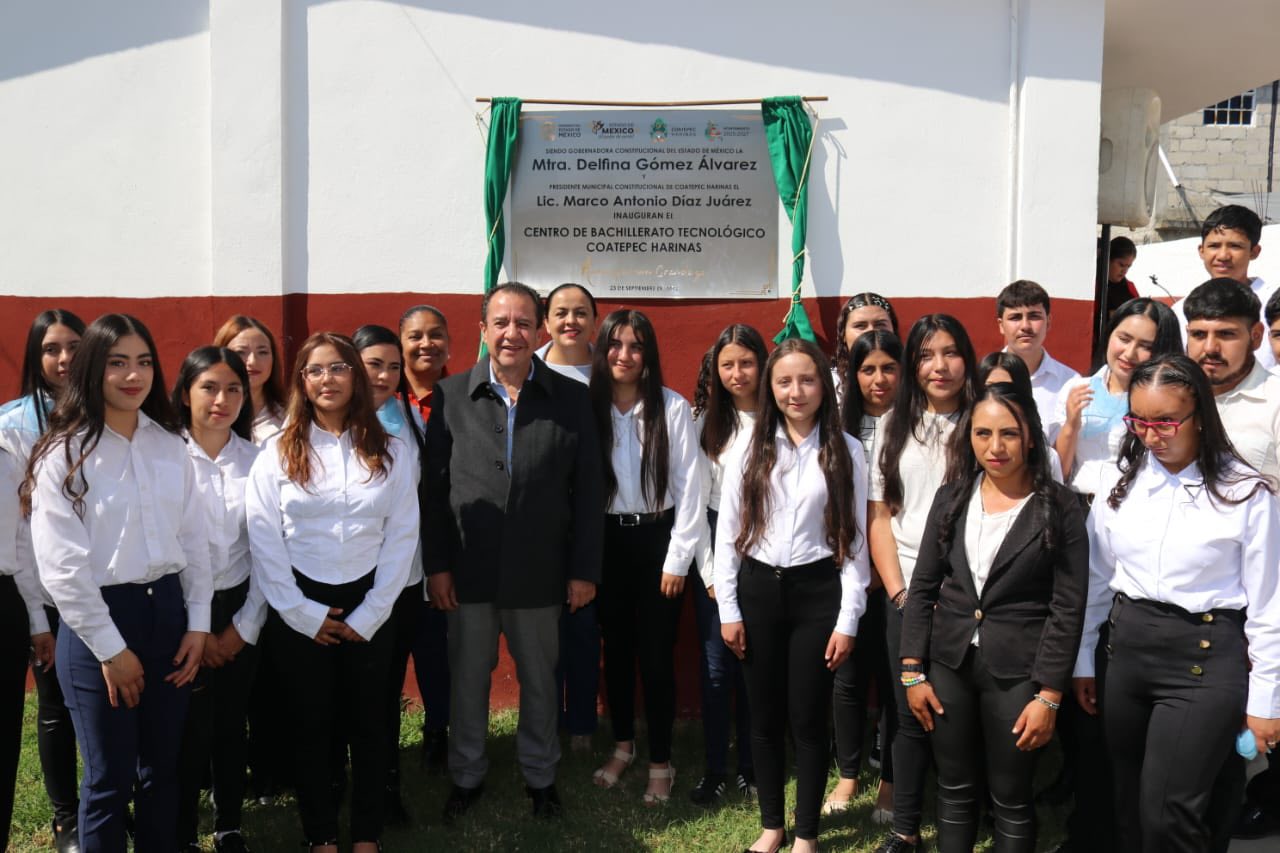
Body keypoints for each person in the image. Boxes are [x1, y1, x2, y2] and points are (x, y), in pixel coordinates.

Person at [1072, 354, 1280, 852]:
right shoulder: (1119, 484)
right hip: (1127, 652)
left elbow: (1269, 606)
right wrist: (1083, 659)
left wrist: (1266, 700)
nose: (1151, 434)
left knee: (1169, 811)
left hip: (1207, 659)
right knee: (1127, 802)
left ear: (1201, 417)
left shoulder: (1245, 493)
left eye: (1165, 421)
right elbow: (1098, 580)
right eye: (1139, 420)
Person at [26, 313, 213, 852]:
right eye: (118, 363)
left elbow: (195, 543)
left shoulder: (170, 445)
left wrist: (198, 625)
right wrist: (112, 651)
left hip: (169, 618)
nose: (134, 375)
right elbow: (62, 569)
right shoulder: (63, 453)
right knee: (107, 782)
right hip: (97, 628)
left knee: (162, 772)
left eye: (144, 362)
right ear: (92, 369)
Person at [423, 282, 604, 823]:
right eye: (501, 322)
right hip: (469, 571)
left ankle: (540, 775)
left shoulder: (571, 399)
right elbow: (433, 492)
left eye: (524, 322)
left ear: (540, 330)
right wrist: (437, 566)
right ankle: (467, 773)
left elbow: (590, 491)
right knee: (469, 678)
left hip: (540, 572)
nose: (512, 333)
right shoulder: (452, 395)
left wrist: (583, 571)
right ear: (483, 330)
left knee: (541, 681)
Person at [245, 331, 417, 853]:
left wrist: (373, 612)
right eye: (316, 370)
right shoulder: (275, 452)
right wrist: (300, 613)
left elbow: (402, 533)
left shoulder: (392, 450)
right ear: (302, 380)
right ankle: (320, 836)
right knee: (311, 725)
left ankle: (366, 835)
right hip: (300, 600)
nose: (328, 379)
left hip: (371, 600)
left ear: (355, 377)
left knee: (370, 725)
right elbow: (263, 536)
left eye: (339, 368)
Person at [901, 381, 1088, 852]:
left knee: (1010, 797)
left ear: (1030, 436)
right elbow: (923, 587)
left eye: (1008, 433)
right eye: (982, 434)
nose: (995, 447)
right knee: (954, 790)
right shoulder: (951, 498)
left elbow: (1068, 607)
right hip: (949, 663)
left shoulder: (1061, 509)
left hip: (1019, 672)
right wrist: (911, 672)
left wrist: (1048, 696)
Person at [716, 338, 870, 853]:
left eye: (806, 380)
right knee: (763, 717)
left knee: (807, 717)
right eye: (784, 381)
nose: (795, 391)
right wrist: (729, 610)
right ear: (771, 387)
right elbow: (728, 535)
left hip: (816, 593)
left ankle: (805, 833)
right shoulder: (749, 448)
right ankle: (771, 827)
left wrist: (849, 618)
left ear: (824, 387)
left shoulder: (848, 451)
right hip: (759, 591)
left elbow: (855, 541)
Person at [869, 314, 978, 853]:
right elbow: (881, 516)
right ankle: (905, 829)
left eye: (951, 352)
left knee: (965, 713)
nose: (940, 366)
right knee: (910, 712)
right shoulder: (893, 425)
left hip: (971, 601)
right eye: (927, 355)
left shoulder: (985, 423)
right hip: (906, 593)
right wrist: (898, 593)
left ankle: (967, 817)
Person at [589, 309, 705, 805]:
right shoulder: (587, 408)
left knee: (656, 658)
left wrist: (677, 560)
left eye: (636, 346)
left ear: (649, 355)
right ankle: (622, 746)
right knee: (614, 653)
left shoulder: (672, 409)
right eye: (615, 345)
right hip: (605, 545)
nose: (625, 355)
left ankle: (661, 761)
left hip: (658, 543)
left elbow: (691, 490)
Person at [171, 346, 263, 853]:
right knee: (183, 731)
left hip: (238, 608)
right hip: (175, 611)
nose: (221, 399)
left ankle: (228, 824)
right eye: (208, 387)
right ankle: (179, 830)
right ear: (185, 393)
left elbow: (270, 553)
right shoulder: (164, 455)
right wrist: (196, 628)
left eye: (233, 389)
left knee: (230, 725)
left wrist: (243, 627)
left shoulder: (258, 461)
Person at [0, 308, 85, 853]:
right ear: (35, 356)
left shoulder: (109, 412)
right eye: (52, 348)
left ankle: (104, 800)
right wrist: (37, 613)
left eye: (75, 347)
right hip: (42, 587)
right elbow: (16, 526)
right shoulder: (11, 424)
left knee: (104, 701)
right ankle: (65, 818)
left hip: (102, 581)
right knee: (54, 706)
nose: (64, 359)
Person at [352, 324, 429, 823]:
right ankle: (341, 783)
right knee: (349, 694)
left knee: (385, 692)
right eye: (372, 364)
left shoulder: (409, 419)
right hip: (350, 578)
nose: (383, 375)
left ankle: (386, 788)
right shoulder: (330, 422)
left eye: (392, 366)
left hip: (403, 579)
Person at [688, 323, 768, 807]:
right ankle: (715, 768)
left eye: (747, 362)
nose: (738, 373)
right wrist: (712, 576)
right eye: (727, 364)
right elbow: (694, 508)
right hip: (716, 552)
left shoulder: (782, 418)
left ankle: (753, 768)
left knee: (756, 667)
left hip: (766, 553)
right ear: (715, 371)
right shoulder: (705, 424)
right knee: (718, 669)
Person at [825, 329, 902, 820]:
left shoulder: (915, 426)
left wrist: (884, 568)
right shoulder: (837, 426)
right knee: (847, 680)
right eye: (867, 369)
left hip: (900, 575)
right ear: (852, 376)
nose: (878, 379)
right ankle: (849, 775)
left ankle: (892, 785)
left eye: (888, 368)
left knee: (896, 682)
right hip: (848, 572)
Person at [534, 283, 602, 753]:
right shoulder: (530, 371)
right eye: (561, 312)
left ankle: (580, 723)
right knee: (542, 634)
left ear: (595, 320)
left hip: (594, 515)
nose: (570, 321)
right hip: (542, 524)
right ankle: (544, 724)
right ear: (546, 321)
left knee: (583, 627)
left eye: (581, 312)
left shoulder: (609, 369)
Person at [1052, 298, 1181, 500]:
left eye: (1145, 346)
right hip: (1077, 509)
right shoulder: (1077, 388)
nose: (1129, 354)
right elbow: (1058, 472)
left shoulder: (1169, 404)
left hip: (1131, 507)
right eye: (1124, 339)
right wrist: (1071, 426)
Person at [396, 304, 452, 772]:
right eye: (415, 336)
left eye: (435, 335)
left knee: (436, 649)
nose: (425, 344)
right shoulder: (380, 401)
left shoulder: (463, 398)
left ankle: (438, 728)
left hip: (444, 549)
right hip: (389, 552)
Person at [1183, 278, 1280, 482]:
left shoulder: (1275, 401)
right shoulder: (1173, 396)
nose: (1210, 348)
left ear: (1256, 336)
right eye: (1199, 334)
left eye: (1226, 334)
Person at [1171, 205, 1276, 368]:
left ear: (1254, 252)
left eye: (1235, 246)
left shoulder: (1273, 306)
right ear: (1201, 250)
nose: (1223, 256)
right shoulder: (1180, 311)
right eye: (1214, 246)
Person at [995, 280, 1080, 426]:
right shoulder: (983, 379)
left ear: (1049, 322)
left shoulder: (1070, 382)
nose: (1025, 326)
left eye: (1034, 316)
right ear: (1001, 325)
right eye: (1015, 317)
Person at [215, 316, 288, 444]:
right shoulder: (209, 414)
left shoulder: (289, 418)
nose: (252, 361)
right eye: (240, 352)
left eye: (262, 352)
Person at [833, 293, 899, 400]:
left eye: (880, 324)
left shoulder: (911, 378)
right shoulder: (829, 383)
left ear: (893, 330)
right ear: (843, 334)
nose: (871, 332)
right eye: (860, 326)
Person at [1104, 236, 1139, 316]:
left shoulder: (1130, 288)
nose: (1125, 271)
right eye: (1121, 265)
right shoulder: (1093, 286)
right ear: (1108, 259)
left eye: (1128, 266)